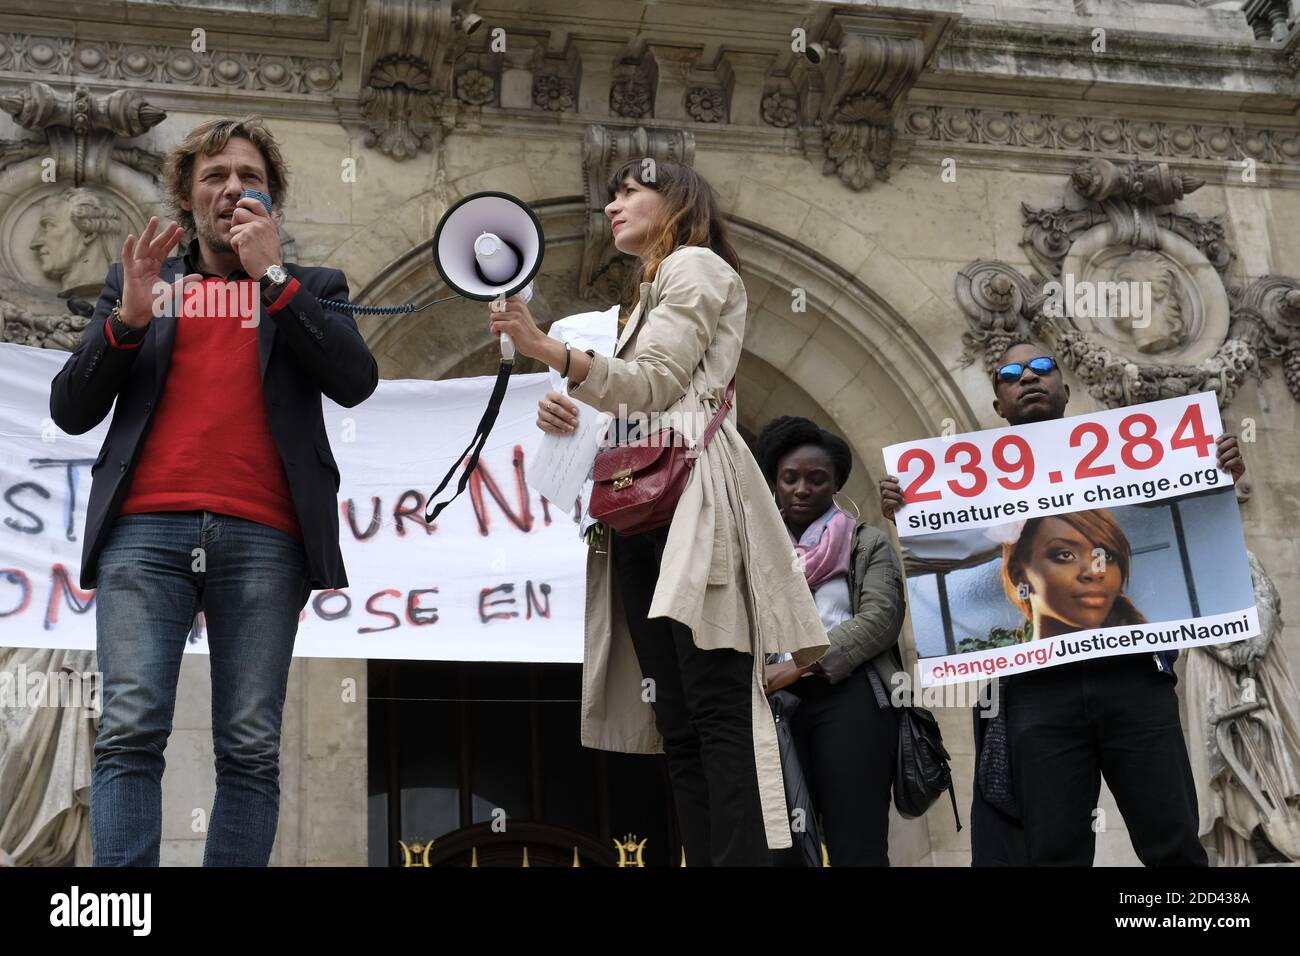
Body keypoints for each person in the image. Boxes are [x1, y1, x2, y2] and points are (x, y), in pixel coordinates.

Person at [49, 115, 378, 866]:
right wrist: (125, 322)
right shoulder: (140, 285)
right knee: (130, 730)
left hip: (266, 537)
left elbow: (356, 381)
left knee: (251, 747)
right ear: (188, 197)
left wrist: (275, 281)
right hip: (144, 533)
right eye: (215, 177)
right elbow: (71, 409)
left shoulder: (311, 287)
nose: (233, 188)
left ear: (273, 198)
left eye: (250, 178)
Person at [490, 159, 827, 866]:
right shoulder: (652, 291)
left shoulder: (695, 267)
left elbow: (656, 384)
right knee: (677, 717)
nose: (611, 206)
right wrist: (573, 408)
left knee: (713, 706)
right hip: (648, 518)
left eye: (628, 192)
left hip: (694, 508)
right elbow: (639, 402)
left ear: (676, 202)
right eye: (609, 195)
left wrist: (549, 350)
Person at [880, 343, 1244, 866]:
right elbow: (953, 560)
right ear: (999, 405)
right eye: (1010, 373)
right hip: (1035, 693)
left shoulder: (1130, 456)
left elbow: (1189, 510)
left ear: (1066, 390)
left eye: (1042, 368)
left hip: (1133, 679)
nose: (1028, 377)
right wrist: (910, 517)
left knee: (1174, 842)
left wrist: (1220, 471)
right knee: (1054, 852)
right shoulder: (961, 487)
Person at [755, 415, 905, 866]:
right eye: (790, 478)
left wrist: (798, 666)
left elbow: (881, 617)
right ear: (775, 483)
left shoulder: (867, 543)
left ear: (835, 485)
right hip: (769, 705)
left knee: (856, 843)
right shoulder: (751, 547)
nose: (802, 489)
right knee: (781, 849)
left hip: (850, 697)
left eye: (817, 479)